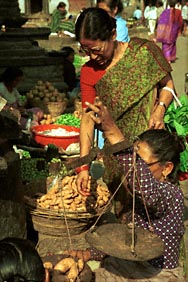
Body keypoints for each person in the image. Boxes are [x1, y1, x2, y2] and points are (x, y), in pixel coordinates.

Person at [70, 97, 186, 281]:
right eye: (134, 162)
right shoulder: (136, 200)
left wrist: (111, 131)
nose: (134, 170)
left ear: (167, 168)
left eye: (142, 165)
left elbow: (146, 188)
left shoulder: (171, 195)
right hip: (130, 266)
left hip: (158, 275)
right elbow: (125, 241)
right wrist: (90, 253)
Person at [74, 7, 175, 214]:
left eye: (97, 49)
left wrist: (159, 110)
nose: (92, 57)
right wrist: (83, 166)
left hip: (150, 150)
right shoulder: (89, 72)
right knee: (125, 216)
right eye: (86, 50)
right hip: (117, 156)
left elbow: (167, 84)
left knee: (155, 211)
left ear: (113, 35)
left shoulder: (144, 53)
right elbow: (87, 119)